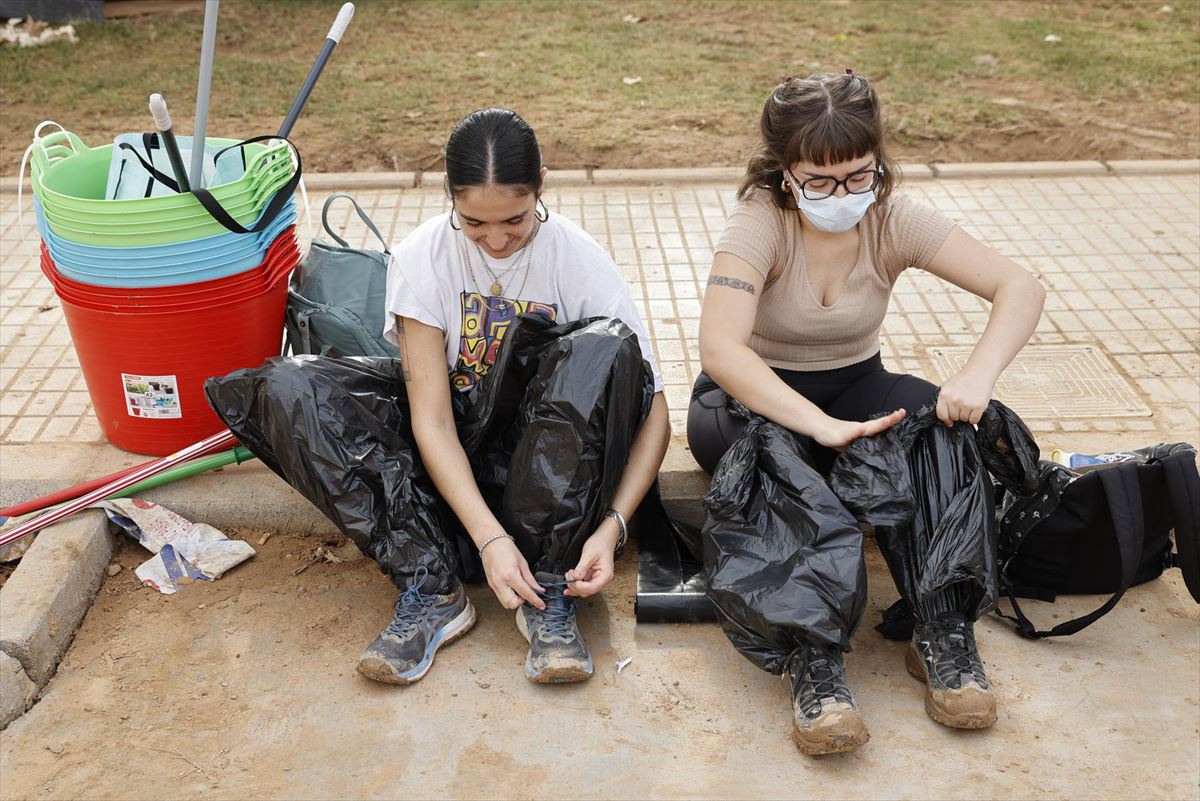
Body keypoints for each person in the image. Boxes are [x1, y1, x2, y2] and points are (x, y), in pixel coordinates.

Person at [689, 72, 1045, 754]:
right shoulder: (757, 221)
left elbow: (1018, 285)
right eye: (819, 181)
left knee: (943, 425)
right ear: (783, 172)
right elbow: (722, 348)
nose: (842, 195)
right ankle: (815, 662)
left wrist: (975, 376)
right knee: (776, 454)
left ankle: (940, 626)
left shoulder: (891, 215)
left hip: (855, 386)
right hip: (747, 400)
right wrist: (817, 427)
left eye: (858, 176)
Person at [363, 107, 670, 686]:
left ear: (542, 187)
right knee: (296, 387)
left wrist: (613, 525)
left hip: (553, 467)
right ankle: (434, 590)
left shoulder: (577, 258)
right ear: (449, 196)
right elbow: (430, 419)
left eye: (515, 219)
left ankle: (548, 589)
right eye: (474, 222)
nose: (496, 239)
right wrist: (489, 537)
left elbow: (652, 408)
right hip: (459, 454)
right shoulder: (420, 257)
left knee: (605, 346)